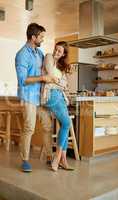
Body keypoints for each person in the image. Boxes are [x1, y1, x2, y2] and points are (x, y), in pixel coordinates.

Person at [15, 23, 57, 172]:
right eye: (41, 37)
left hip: (40, 98)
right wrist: (43, 78)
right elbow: (23, 80)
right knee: (29, 128)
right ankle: (25, 160)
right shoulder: (22, 54)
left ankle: (49, 156)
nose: (43, 40)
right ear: (33, 37)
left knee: (47, 125)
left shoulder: (39, 53)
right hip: (27, 97)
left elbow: (47, 69)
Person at [41, 41, 74, 172]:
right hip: (51, 95)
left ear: (64, 54)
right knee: (67, 123)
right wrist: (58, 82)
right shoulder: (49, 57)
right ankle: (58, 157)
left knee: (66, 125)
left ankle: (63, 160)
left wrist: (58, 81)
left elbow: (64, 84)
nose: (56, 53)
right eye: (56, 49)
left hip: (60, 96)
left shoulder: (61, 66)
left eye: (59, 51)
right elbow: (50, 74)